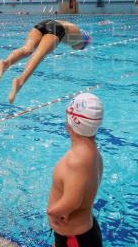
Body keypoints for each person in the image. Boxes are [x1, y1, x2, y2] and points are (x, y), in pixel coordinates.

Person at [48, 93, 104, 247]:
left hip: (75, 238)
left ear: (71, 121)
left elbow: (73, 201)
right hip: (81, 233)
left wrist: (53, 212)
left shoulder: (77, 160)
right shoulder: (92, 153)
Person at [0, 20, 91, 103]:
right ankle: (20, 81)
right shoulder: (78, 40)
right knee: (39, 55)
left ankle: (5, 63)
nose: (78, 49)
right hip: (57, 29)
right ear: (83, 44)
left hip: (43, 24)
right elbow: (77, 44)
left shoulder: (73, 30)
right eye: (81, 48)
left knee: (27, 49)